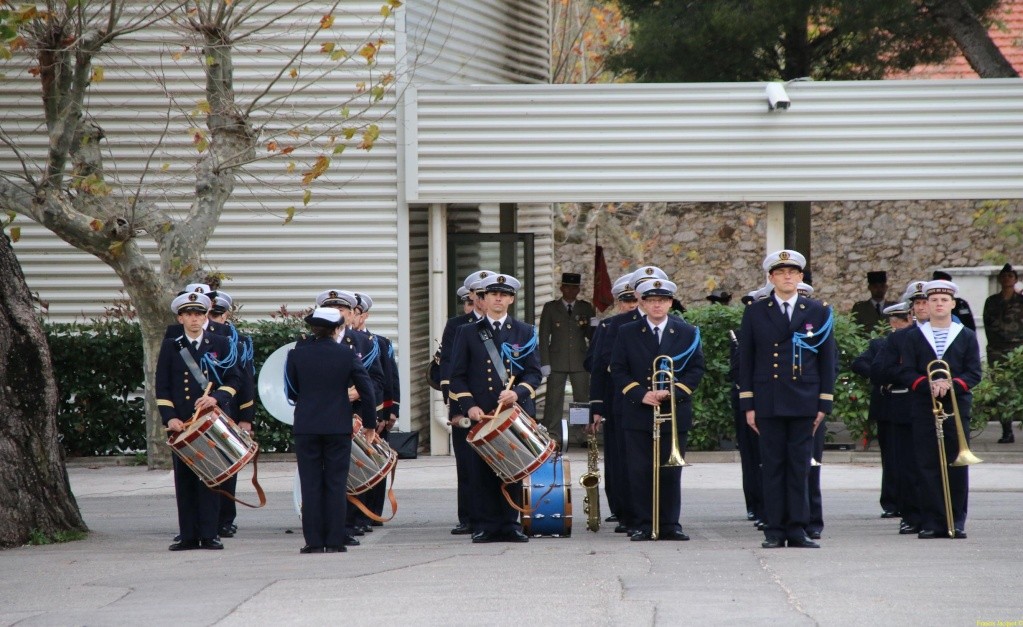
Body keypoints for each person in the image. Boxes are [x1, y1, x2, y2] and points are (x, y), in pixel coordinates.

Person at [738, 250, 837, 549]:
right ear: (770, 278)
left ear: (801, 277)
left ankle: (798, 528)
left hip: (804, 399)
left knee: (800, 467)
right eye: (781, 273)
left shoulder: (817, 311)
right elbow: (747, 360)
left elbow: (826, 360)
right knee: (772, 467)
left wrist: (824, 403)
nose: (788, 277)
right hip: (768, 399)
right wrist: (748, 404)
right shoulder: (756, 311)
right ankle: (774, 529)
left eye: (793, 272)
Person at [448, 273, 542, 543]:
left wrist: (519, 392)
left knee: (513, 468)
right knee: (481, 470)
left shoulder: (524, 331)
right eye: (492, 295)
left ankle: (509, 524)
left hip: (512, 412)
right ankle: (486, 525)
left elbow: (534, 373)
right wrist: (469, 406)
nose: (498, 299)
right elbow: (457, 375)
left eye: (504, 295)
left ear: (511, 299)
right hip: (483, 412)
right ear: (483, 299)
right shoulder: (467, 332)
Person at [610, 278, 704, 541]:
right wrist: (641, 394)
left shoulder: (687, 331)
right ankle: (642, 523)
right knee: (639, 471)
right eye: (651, 301)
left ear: (670, 303)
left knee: (670, 471)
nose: (657, 305)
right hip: (639, 410)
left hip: (674, 411)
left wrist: (673, 393)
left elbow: (697, 368)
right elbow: (617, 369)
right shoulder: (627, 331)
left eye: (662, 301)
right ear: (642, 303)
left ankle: (670, 523)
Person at [286, 307, 376, 554]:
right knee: (336, 483)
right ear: (337, 328)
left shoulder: (296, 354)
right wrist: (369, 423)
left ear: (313, 329)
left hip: (306, 425)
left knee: (311, 483)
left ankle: (314, 541)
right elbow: (367, 390)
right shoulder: (347, 354)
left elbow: (291, 391)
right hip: (337, 425)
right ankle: (335, 540)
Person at [896, 280, 982, 539]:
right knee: (927, 463)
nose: (939, 304)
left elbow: (974, 373)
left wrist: (951, 384)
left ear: (953, 304)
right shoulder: (914, 336)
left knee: (957, 462)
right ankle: (932, 521)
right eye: (933, 300)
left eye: (944, 300)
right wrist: (928, 384)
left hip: (956, 407)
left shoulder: (965, 335)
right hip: (924, 405)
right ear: (927, 305)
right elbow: (906, 371)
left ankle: (956, 521)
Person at [157, 291, 242, 551]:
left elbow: (235, 379)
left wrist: (215, 398)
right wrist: (170, 418)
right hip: (183, 423)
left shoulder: (221, 343)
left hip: (209, 421)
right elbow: (163, 387)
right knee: (184, 481)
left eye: (199, 314)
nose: (194, 320)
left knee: (210, 478)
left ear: (206, 317)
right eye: (189, 315)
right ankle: (188, 535)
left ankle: (210, 533)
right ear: (180, 318)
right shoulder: (171, 346)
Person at [587, 273, 640, 533]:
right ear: (620, 302)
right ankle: (622, 509)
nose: (631, 305)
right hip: (616, 399)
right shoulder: (610, 327)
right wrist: (596, 406)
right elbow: (596, 366)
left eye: (635, 299)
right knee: (619, 459)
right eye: (626, 300)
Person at [440, 271, 492, 536]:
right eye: (478, 294)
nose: (482, 299)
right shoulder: (457, 325)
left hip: (496, 405)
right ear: (471, 296)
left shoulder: (503, 324)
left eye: (487, 293)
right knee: (467, 463)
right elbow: (448, 367)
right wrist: (456, 406)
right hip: (465, 404)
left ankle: (497, 517)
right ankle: (469, 516)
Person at [206, 290, 255, 539]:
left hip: (228, 410)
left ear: (226, 315)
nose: (212, 319)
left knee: (227, 467)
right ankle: (203, 521)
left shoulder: (238, 342)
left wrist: (246, 417)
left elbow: (245, 381)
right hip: (198, 410)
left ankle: (225, 519)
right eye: (209, 314)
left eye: (216, 314)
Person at [871, 301, 923, 535]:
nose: (924, 308)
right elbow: (879, 370)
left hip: (940, 405)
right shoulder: (898, 338)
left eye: (927, 302)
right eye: (919, 303)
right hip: (904, 405)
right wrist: (911, 377)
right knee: (906, 464)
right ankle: (911, 514)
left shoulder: (954, 332)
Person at [353, 292, 400, 523]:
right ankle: (355, 513)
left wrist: (388, 411)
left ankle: (373, 511)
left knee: (375, 461)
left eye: (356, 313)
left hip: (372, 409)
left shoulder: (378, 343)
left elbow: (389, 380)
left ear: (364, 316)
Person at [852, 313, 898, 519]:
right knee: (890, 458)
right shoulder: (881, 344)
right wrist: (880, 376)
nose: (901, 324)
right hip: (887, 407)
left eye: (905, 319)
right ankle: (890, 501)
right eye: (898, 320)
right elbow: (859, 363)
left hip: (912, 405)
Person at [538, 272, 595, 435]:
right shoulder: (550, 307)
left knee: (581, 400)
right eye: (567, 287)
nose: (570, 291)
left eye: (574, 288)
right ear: (562, 288)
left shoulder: (585, 307)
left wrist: (594, 323)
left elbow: (591, 336)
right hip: (556, 359)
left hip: (579, 360)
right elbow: (543, 336)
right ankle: (552, 432)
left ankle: (581, 434)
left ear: (578, 290)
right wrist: (545, 362)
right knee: (553, 399)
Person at [982, 263, 1023, 443]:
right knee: (1002, 393)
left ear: (1015, 279)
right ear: (1000, 279)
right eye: (1004, 276)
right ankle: (1007, 431)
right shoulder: (992, 301)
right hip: (997, 351)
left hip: (1019, 351)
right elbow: (988, 325)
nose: (1007, 279)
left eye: (1010, 276)